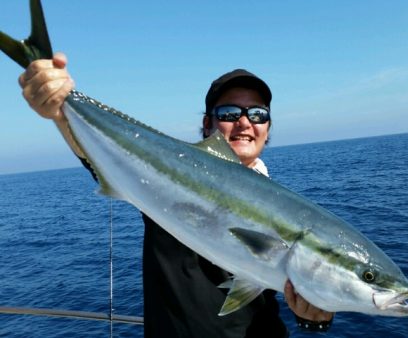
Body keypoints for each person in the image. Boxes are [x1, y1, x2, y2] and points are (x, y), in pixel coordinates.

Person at [19, 53, 334, 337]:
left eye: (257, 114)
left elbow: (293, 300)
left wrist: (314, 316)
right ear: (207, 124)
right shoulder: (167, 178)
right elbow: (102, 156)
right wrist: (60, 110)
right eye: (228, 113)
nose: (244, 122)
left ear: (267, 127)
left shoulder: (287, 207)